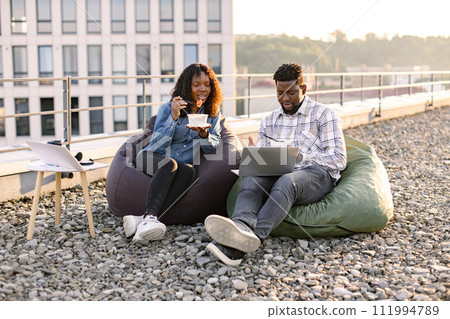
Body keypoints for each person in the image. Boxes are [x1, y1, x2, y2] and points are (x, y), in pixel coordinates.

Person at [204, 63, 347, 266]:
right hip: (277, 169)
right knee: (252, 180)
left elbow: (339, 158)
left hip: (316, 175)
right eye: (280, 93)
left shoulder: (324, 115)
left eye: (291, 93)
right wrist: (255, 155)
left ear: (303, 89)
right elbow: (265, 156)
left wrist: (300, 157)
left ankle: (250, 238)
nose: (285, 99)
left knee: (287, 182)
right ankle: (241, 226)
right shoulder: (270, 120)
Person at [123, 63, 223, 244]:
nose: (203, 89)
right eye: (197, 84)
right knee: (170, 164)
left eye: (207, 84)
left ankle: (141, 220)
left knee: (189, 171)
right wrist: (174, 118)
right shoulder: (169, 107)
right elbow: (157, 145)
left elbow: (211, 146)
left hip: (180, 165)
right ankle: (150, 218)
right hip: (150, 157)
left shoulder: (212, 113)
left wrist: (203, 134)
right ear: (187, 86)